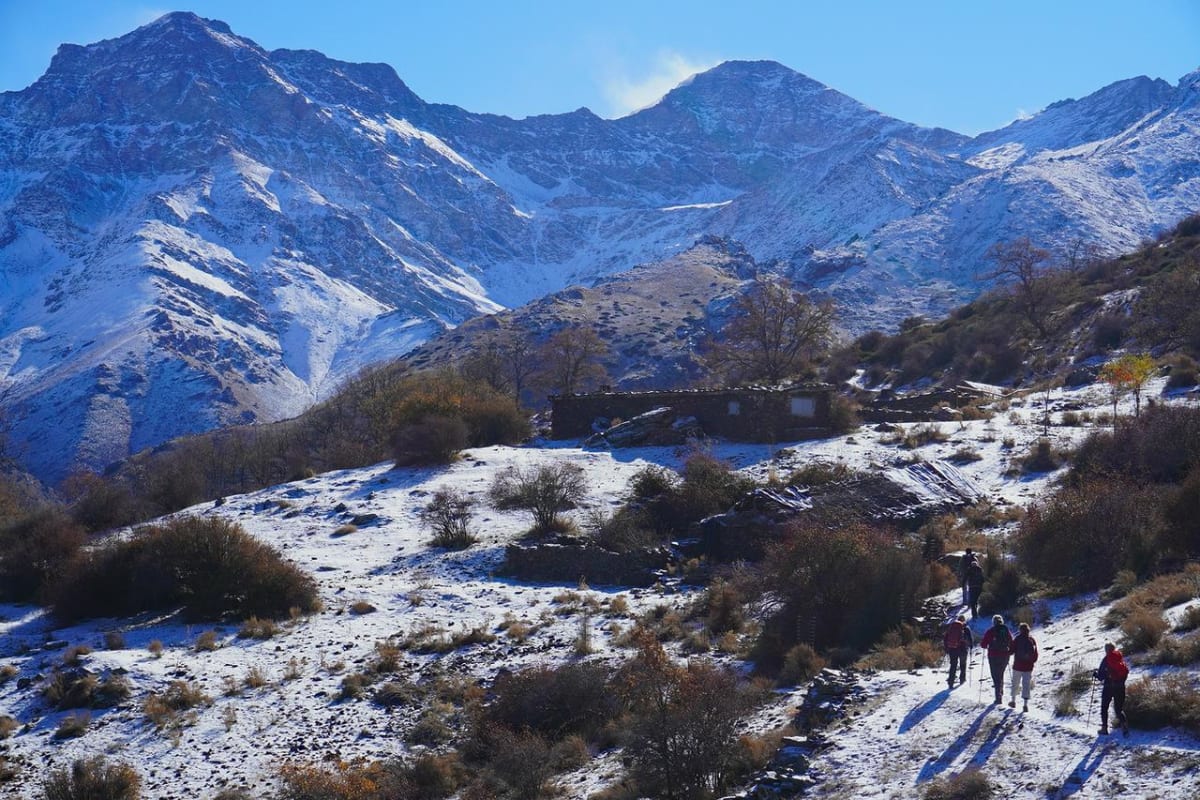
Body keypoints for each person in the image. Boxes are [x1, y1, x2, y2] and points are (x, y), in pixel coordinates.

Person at [1095, 641, 1130, 735]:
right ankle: (1124, 726)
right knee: (1118, 708)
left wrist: (1096, 675)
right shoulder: (1120, 658)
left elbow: (1101, 677)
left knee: (1104, 707)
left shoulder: (1106, 660)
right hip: (1120, 686)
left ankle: (1104, 729)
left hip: (1108, 687)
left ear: (1106, 650)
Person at [979, 614, 1013, 705]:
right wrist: (1010, 651)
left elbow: (983, 645)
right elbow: (1011, 641)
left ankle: (998, 697)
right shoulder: (1006, 630)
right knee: (1000, 674)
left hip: (993, 656)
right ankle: (1000, 692)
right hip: (1005, 656)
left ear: (993, 622)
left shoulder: (991, 631)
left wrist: (987, 645)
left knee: (995, 676)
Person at [1008, 622, 1038, 711]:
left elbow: (1011, 651)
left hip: (1018, 666)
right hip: (1028, 667)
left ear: (1020, 630)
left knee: (1015, 683)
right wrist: (1031, 662)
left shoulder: (1017, 639)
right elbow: (1035, 654)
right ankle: (1025, 705)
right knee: (1026, 685)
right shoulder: (1032, 640)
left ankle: (1013, 701)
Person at [943, 614, 974, 689]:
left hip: (952, 649)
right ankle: (962, 679)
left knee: (953, 665)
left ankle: (951, 682)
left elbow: (945, 638)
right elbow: (970, 639)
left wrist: (947, 648)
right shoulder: (966, 628)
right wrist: (971, 646)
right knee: (963, 664)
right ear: (964, 620)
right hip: (962, 649)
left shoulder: (951, 627)